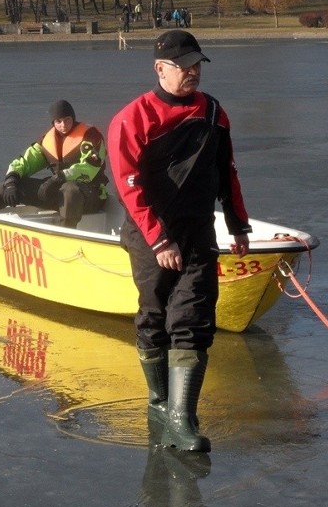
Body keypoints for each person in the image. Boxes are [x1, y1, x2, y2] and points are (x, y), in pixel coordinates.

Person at [107, 30, 251, 453]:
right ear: (160, 68)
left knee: (193, 318)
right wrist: (158, 241)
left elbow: (228, 172)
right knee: (154, 316)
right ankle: (158, 401)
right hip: (150, 232)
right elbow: (128, 187)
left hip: (198, 231)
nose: (192, 72)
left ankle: (182, 419)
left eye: (197, 64)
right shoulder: (131, 119)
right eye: (183, 65)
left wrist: (238, 224)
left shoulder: (214, 113)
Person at [0, 100, 108, 228]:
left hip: (90, 196)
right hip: (58, 192)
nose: (63, 125)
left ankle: (66, 234)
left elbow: (89, 168)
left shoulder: (91, 136)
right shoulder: (48, 140)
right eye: (58, 121)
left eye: (67, 120)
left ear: (73, 118)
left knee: (70, 189)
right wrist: (11, 181)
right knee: (17, 185)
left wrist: (58, 178)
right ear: (53, 123)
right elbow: (25, 162)